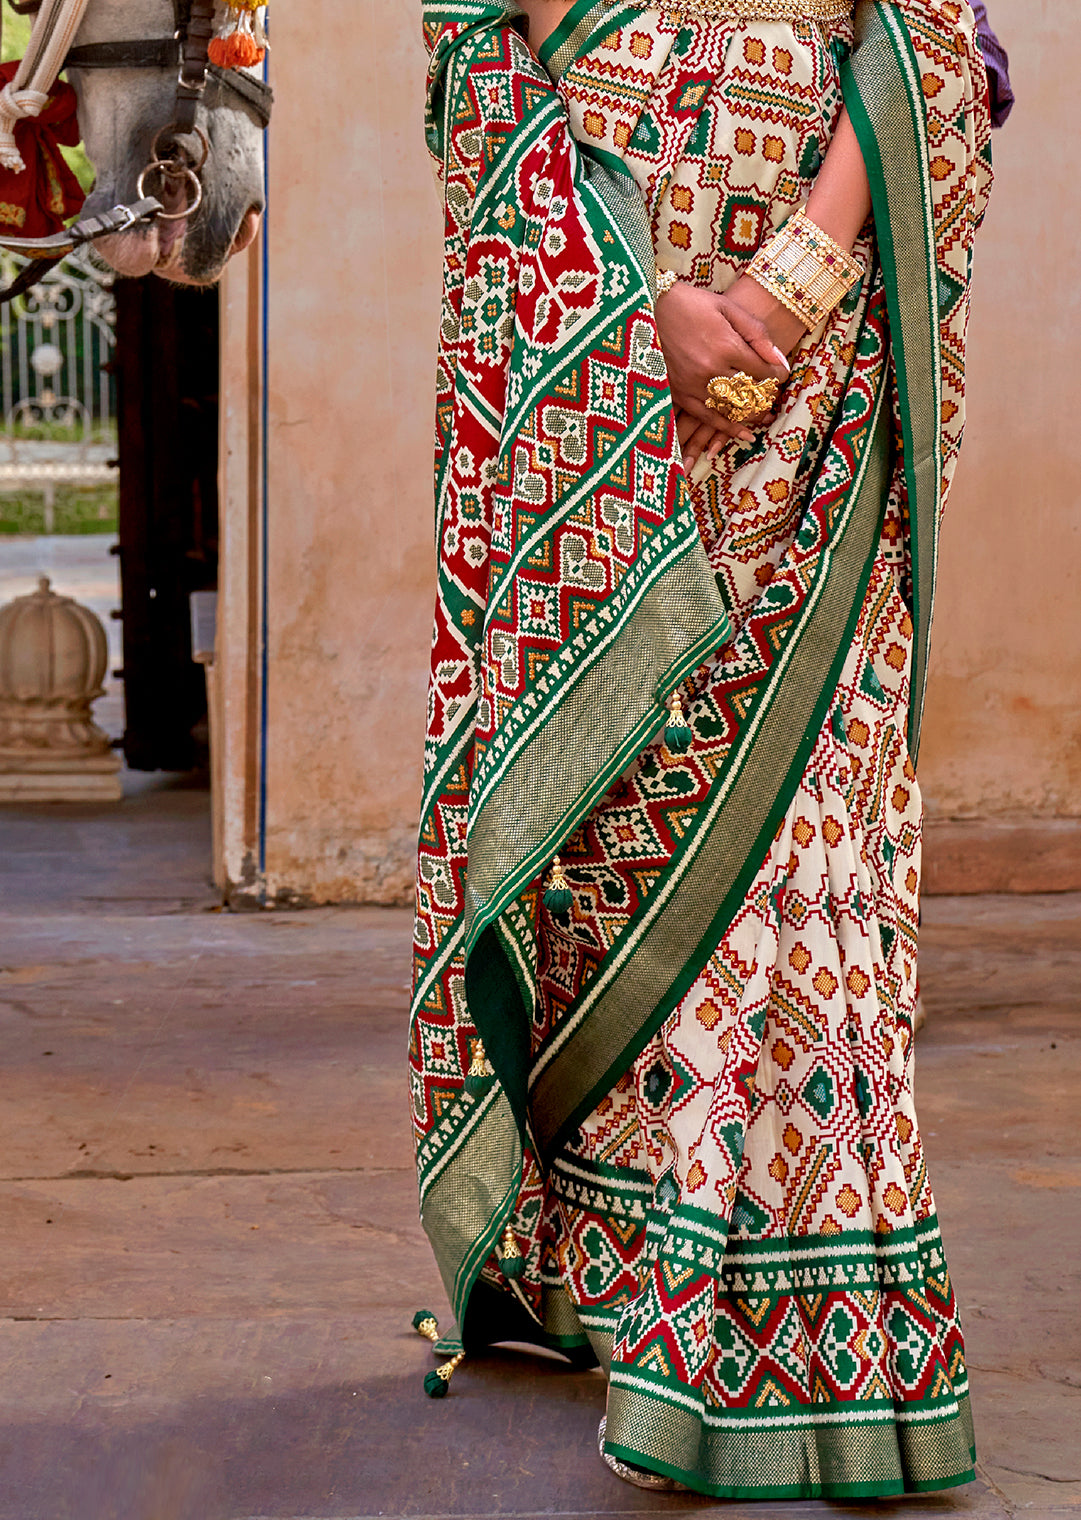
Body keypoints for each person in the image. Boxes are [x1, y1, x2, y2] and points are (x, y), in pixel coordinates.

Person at [410, 0, 997, 1497]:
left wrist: (793, 279)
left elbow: (923, 34)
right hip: (607, 341)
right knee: (622, 821)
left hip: (821, 356)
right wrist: (633, 304)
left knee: (808, 807)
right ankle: (617, 1267)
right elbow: (495, 59)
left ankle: (790, 1307)